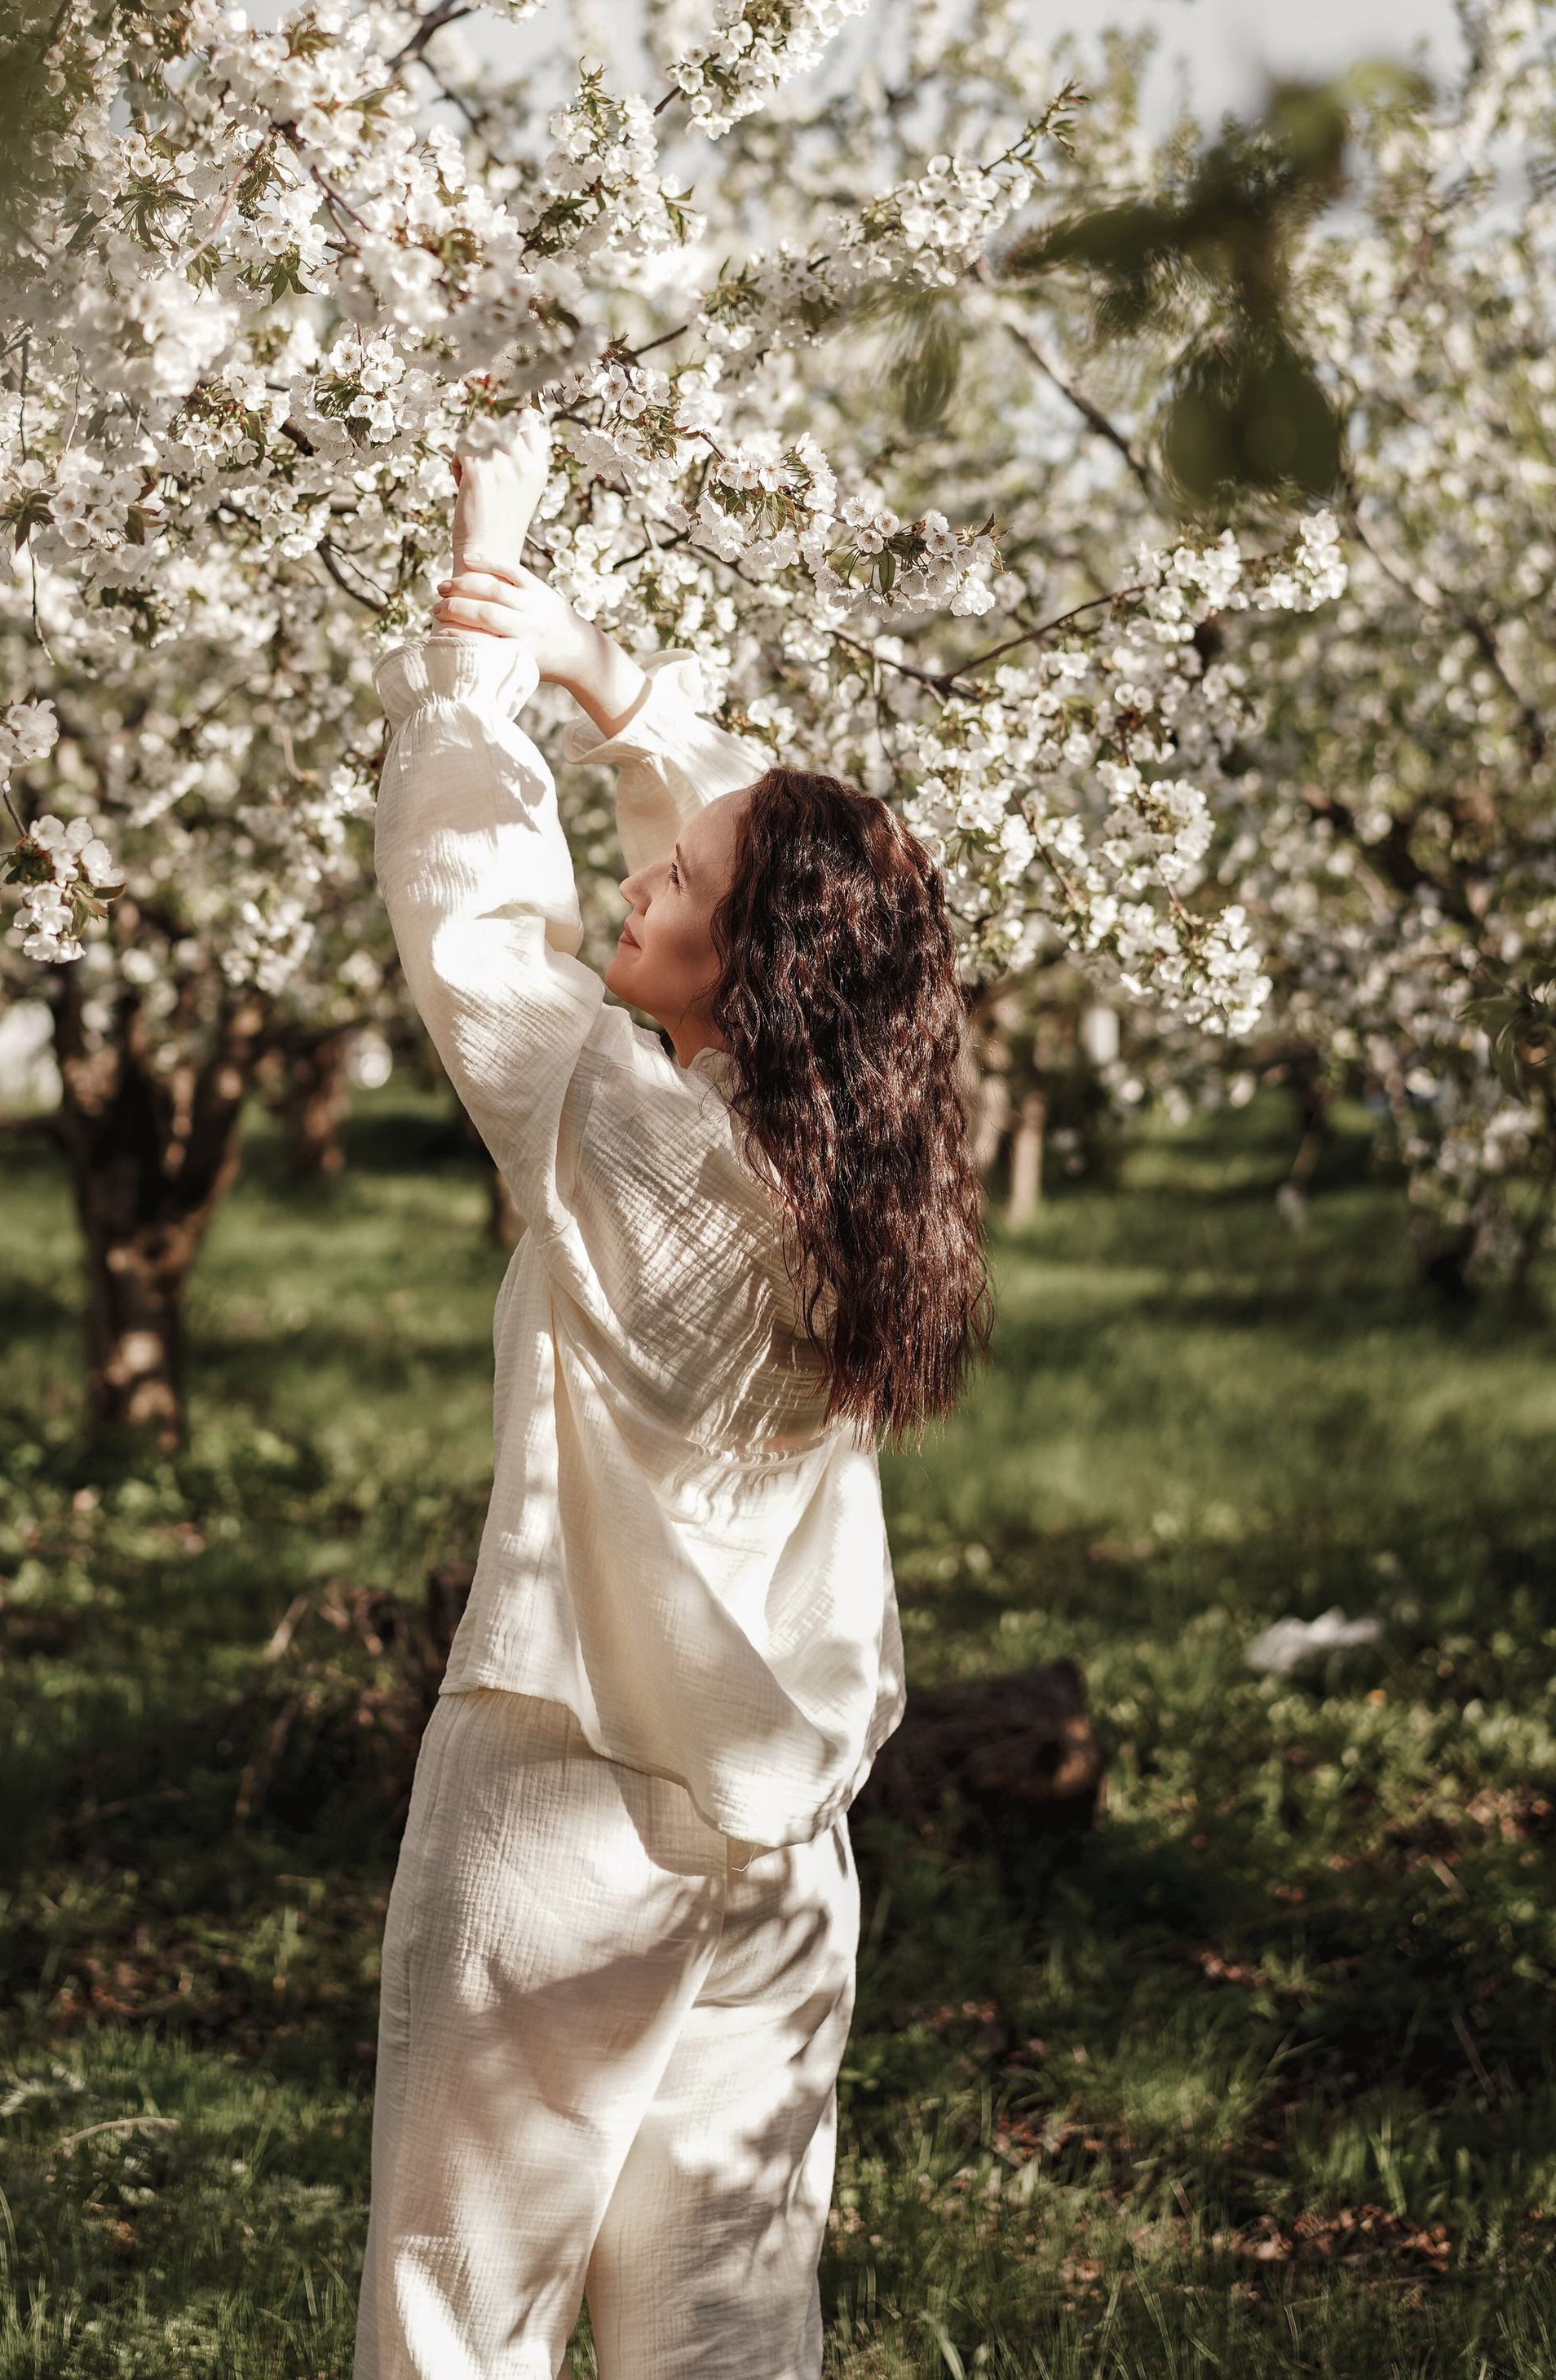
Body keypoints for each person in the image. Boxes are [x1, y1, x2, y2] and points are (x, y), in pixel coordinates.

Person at [356, 416, 991, 2380]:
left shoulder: (616, 1128)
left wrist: (488, 634)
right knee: (726, 2320)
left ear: (755, 966)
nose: (634, 882)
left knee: (464, 2307)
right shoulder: (858, 1186)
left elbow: (467, 899)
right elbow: (777, 857)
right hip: (779, 1834)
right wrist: (614, 686)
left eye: (674, 879)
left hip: (562, 1789)